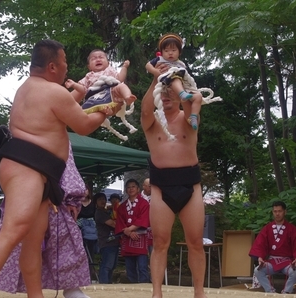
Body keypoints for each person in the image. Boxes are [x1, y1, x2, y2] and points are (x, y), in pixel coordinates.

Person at [0, 39, 115, 298]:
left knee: (32, 241)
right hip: (27, 167)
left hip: (36, 170)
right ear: (52, 66)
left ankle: (35, 295)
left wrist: (86, 97)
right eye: (64, 63)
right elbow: (83, 125)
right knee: (13, 230)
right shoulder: (52, 91)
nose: (66, 68)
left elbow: (61, 111)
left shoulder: (27, 89)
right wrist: (108, 110)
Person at [0, 143, 91, 298]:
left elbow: (66, 159)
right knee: (9, 239)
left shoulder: (58, 130)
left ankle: (71, 287)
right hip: (22, 185)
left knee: (63, 243)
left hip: (56, 193)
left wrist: (71, 198)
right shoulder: (20, 126)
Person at [142, 62, 206, 297]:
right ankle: (156, 292)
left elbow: (191, 100)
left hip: (190, 183)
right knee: (160, 242)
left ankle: (199, 292)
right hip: (161, 186)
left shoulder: (190, 118)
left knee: (196, 242)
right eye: (163, 93)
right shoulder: (151, 122)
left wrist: (176, 75)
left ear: (179, 97)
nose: (167, 96)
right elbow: (146, 111)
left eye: (171, 92)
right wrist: (156, 79)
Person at [249, 201, 296, 293]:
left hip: (287, 261)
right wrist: (260, 257)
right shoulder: (267, 228)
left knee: (295, 272)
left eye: (280, 211)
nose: (277, 214)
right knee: (258, 270)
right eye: (275, 211)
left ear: (285, 212)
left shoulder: (292, 229)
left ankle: (286, 292)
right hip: (272, 261)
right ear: (272, 212)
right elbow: (260, 244)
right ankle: (270, 291)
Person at [145, 33, 201, 130]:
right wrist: (156, 72)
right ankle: (181, 93)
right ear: (161, 52)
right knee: (175, 79)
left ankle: (194, 116)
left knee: (198, 96)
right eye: (166, 51)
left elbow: (186, 78)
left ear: (179, 52)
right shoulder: (160, 60)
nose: (170, 53)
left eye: (173, 50)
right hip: (169, 81)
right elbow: (148, 65)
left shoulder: (181, 64)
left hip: (183, 87)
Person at [65, 49, 136, 110]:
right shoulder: (89, 76)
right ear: (89, 67)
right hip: (95, 97)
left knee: (122, 86)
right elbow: (83, 90)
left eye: (101, 57)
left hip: (112, 92)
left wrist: (124, 67)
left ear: (108, 63)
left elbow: (120, 79)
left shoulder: (110, 70)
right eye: (93, 59)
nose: (98, 60)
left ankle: (127, 97)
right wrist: (74, 85)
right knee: (84, 109)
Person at [115, 179, 150, 283]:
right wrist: (129, 232)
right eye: (128, 187)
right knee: (130, 268)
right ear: (126, 190)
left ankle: (144, 289)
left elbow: (143, 219)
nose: (131, 189)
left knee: (142, 267)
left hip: (140, 237)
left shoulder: (144, 204)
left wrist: (129, 229)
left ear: (138, 189)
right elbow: (120, 222)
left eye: (133, 186)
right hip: (127, 237)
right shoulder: (122, 207)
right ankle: (133, 289)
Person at [95, 192, 119, 284]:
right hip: (106, 242)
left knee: (112, 266)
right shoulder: (99, 213)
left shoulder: (108, 211)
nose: (103, 201)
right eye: (100, 199)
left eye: (104, 199)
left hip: (114, 241)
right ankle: (104, 284)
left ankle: (108, 283)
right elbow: (112, 224)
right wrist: (126, 228)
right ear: (95, 202)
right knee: (107, 265)